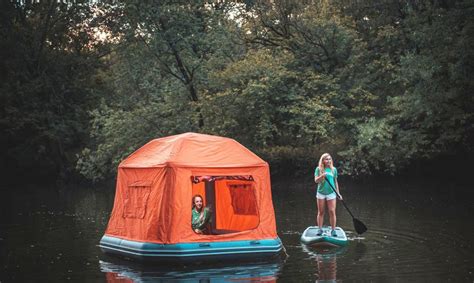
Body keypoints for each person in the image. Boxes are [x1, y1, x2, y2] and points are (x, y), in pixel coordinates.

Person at [314, 153, 342, 237]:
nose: (328, 161)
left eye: (329, 159)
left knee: (332, 211)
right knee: (321, 212)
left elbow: (336, 182)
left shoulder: (334, 170)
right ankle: (320, 229)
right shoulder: (318, 169)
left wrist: (338, 193)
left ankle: (333, 230)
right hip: (321, 193)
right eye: (326, 159)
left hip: (331, 193)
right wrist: (322, 176)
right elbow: (316, 181)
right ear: (323, 160)